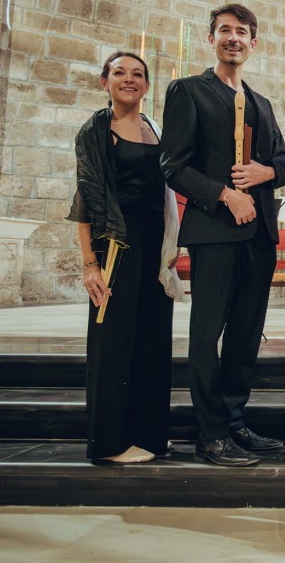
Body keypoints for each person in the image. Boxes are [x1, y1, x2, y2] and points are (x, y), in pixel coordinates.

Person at [160, 4, 285, 467]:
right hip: (215, 233)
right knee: (207, 334)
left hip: (259, 237)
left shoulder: (263, 104)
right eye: (225, 31)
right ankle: (210, 432)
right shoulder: (189, 92)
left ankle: (235, 422)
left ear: (254, 43)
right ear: (210, 38)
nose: (233, 38)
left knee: (245, 334)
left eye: (242, 32)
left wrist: (262, 174)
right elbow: (173, 166)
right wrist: (223, 195)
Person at [68, 51, 185, 464]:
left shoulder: (156, 129)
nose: (129, 79)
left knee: (153, 340)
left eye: (138, 74)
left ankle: (149, 435)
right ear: (106, 82)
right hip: (116, 242)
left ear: (148, 86)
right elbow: (84, 200)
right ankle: (110, 443)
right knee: (113, 341)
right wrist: (89, 264)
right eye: (120, 73)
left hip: (155, 244)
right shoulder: (96, 131)